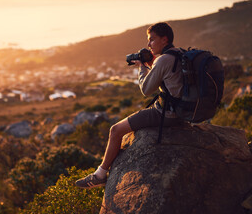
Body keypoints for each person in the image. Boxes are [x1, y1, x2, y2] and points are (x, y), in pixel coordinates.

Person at [75, 22, 183, 189]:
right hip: (181, 112)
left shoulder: (163, 60)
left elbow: (146, 90)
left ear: (164, 39)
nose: (148, 45)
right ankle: (101, 173)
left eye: (152, 40)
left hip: (166, 114)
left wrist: (141, 68)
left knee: (115, 130)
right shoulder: (179, 54)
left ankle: (100, 175)